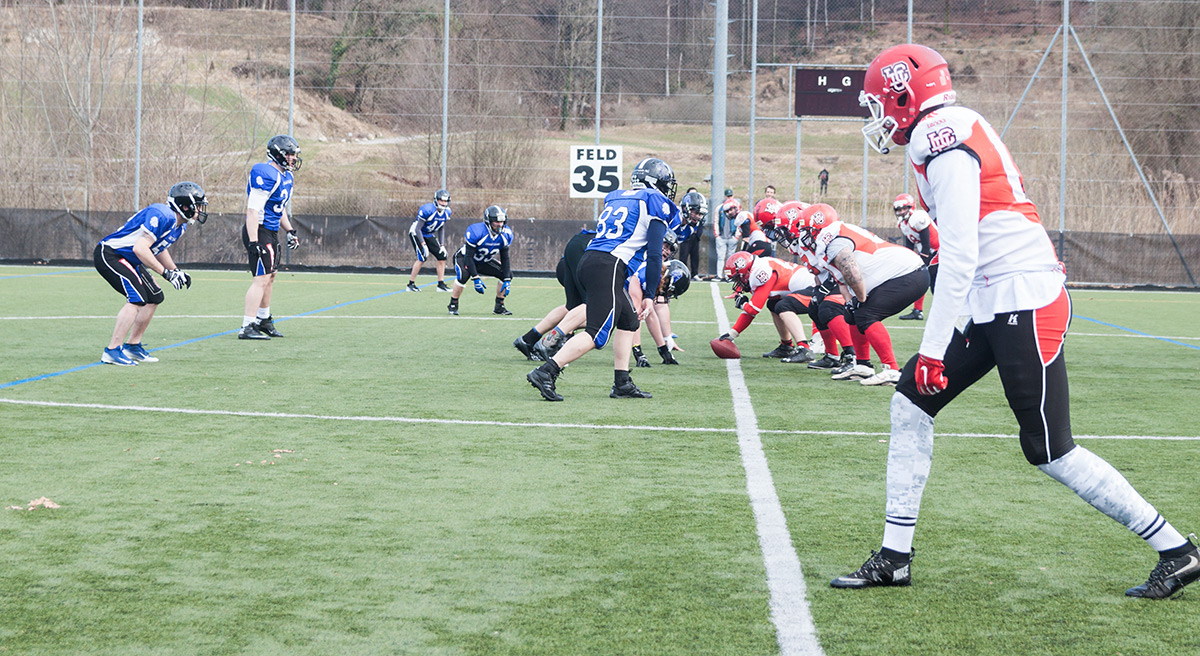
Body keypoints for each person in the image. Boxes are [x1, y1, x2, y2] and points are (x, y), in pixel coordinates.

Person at [832, 42, 1199, 598]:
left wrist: (933, 346)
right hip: (993, 297)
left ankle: (1177, 550)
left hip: (1021, 296)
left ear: (906, 94)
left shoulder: (944, 136)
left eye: (880, 102)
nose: (877, 116)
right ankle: (894, 557)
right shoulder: (945, 130)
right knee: (910, 401)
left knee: (1049, 447)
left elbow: (959, 253)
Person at [526, 157, 679, 402]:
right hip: (610, 265)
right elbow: (653, 254)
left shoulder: (618, 195)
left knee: (628, 320)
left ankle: (622, 382)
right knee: (597, 334)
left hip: (591, 259)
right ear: (656, 183)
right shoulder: (655, 201)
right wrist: (650, 295)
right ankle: (547, 371)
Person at [793, 203, 927, 386]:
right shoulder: (831, 240)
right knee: (851, 314)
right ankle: (863, 366)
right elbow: (841, 279)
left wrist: (860, 299)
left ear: (819, 225)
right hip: (899, 274)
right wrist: (850, 301)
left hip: (908, 272)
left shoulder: (834, 240)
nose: (804, 236)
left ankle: (892, 370)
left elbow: (852, 272)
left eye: (807, 230)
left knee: (866, 313)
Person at [94, 182, 207, 365]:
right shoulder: (163, 214)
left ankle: (132, 346)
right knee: (137, 297)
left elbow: (159, 248)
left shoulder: (179, 226)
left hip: (129, 258)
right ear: (185, 206)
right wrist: (166, 274)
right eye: (198, 205)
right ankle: (112, 350)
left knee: (154, 296)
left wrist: (175, 271)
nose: (200, 210)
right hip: (111, 254)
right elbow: (140, 248)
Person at [239, 135, 302, 340]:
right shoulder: (265, 173)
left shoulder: (286, 177)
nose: (293, 158)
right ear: (278, 154)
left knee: (270, 277)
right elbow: (252, 210)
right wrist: (254, 240)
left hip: (271, 230)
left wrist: (290, 230)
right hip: (259, 229)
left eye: (294, 154)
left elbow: (278, 208)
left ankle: (263, 319)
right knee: (261, 278)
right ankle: (247, 326)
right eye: (290, 154)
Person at [716, 251, 817, 362]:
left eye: (738, 278)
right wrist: (732, 334)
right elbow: (751, 311)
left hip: (815, 288)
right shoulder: (757, 267)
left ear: (746, 271)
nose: (738, 283)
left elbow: (753, 310)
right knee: (773, 304)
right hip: (808, 287)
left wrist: (743, 304)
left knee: (783, 306)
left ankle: (804, 349)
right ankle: (786, 346)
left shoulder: (761, 272)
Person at [513, 226, 595, 361]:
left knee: (573, 306)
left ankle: (529, 339)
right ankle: (551, 341)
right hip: (582, 253)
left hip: (572, 252)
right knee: (592, 304)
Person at [447, 205, 514, 316]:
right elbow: (468, 257)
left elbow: (505, 258)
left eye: (502, 221)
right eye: (496, 222)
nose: (499, 224)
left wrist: (506, 279)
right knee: (463, 275)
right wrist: (476, 277)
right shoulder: (477, 231)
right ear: (488, 222)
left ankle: (499, 306)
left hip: (484, 260)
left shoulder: (506, 234)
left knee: (507, 274)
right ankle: (453, 304)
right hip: (464, 258)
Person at [893, 192, 939, 320]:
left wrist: (921, 261)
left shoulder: (918, 218)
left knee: (933, 283)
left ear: (910, 207)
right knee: (922, 280)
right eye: (899, 209)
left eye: (904, 208)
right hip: (928, 252)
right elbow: (909, 246)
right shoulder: (903, 224)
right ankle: (918, 311)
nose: (901, 212)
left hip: (937, 251)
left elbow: (926, 244)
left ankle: (940, 311)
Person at [405, 189, 452, 292]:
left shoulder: (447, 212)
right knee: (422, 256)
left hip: (428, 234)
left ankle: (441, 285)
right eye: (441, 201)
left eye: (445, 201)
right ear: (436, 200)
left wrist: (442, 244)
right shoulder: (427, 210)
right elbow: (418, 229)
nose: (443, 203)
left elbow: (441, 227)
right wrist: (423, 244)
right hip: (417, 233)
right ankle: (410, 284)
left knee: (442, 256)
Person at [677, 191, 707, 282]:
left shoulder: (691, 228)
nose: (698, 217)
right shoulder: (674, 218)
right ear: (686, 209)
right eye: (696, 213)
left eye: (700, 214)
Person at [713, 196, 740, 278]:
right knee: (721, 257)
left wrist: (736, 236)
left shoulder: (737, 208)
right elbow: (716, 221)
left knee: (731, 257)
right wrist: (717, 235)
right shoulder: (719, 208)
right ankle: (719, 275)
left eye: (731, 210)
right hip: (722, 236)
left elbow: (740, 222)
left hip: (732, 236)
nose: (730, 212)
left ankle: (728, 275)